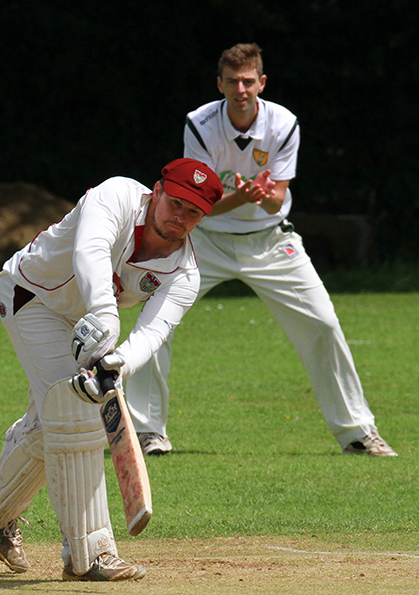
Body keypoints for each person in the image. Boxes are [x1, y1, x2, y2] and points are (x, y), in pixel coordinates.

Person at [126, 43, 397, 458]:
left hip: (271, 240)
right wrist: (243, 196)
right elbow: (199, 206)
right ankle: (147, 433)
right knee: (155, 321)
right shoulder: (199, 123)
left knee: (323, 323)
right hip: (208, 241)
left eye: (248, 81)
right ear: (220, 84)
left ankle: (358, 432)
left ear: (261, 83)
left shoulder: (284, 123)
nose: (241, 88)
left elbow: (276, 200)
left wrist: (262, 197)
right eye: (232, 81)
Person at [0, 158, 223, 581]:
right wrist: (105, 319)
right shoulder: (118, 194)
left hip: (89, 328)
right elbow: (91, 251)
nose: (179, 217)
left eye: (192, 212)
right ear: (156, 191)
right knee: (79, 417)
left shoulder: (185, 275)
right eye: (174, 203)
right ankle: (91, 555)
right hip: (33, 299)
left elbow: (150, 336)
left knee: (56, 421)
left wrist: (114, 367)